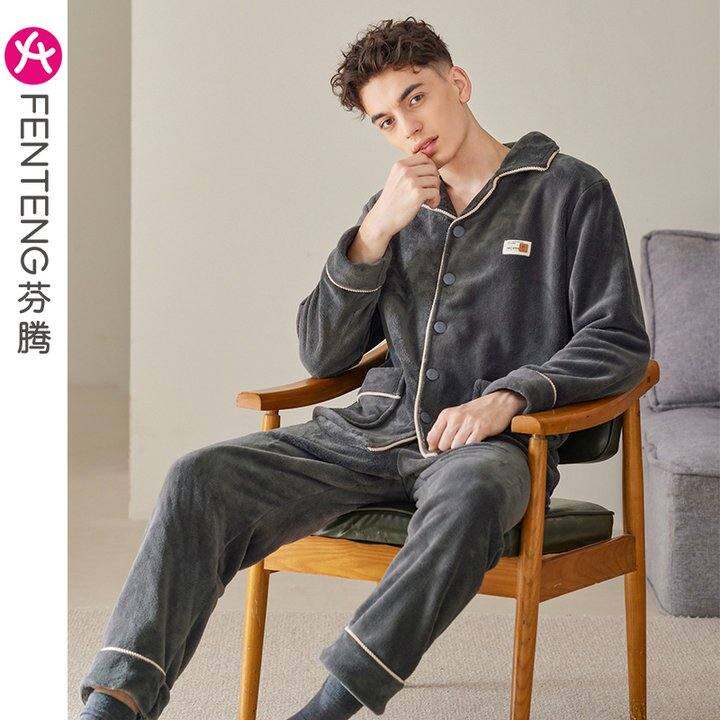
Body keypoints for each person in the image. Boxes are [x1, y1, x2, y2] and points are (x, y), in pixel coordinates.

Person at [79, 16, 651, 720]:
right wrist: (374, 231)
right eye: (386, 121)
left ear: (458, 83)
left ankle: (329, 706)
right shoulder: (394, 211)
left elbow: (618, 337)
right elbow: (323, 355)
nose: (409, 129)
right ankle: (117, 700)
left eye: (416, 98)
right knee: (198, 477)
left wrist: (510, 396)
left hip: (490, 449)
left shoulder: (567, 191)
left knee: (473, 494)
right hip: (369, 436)